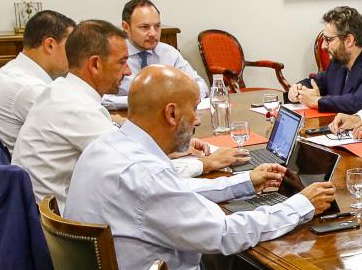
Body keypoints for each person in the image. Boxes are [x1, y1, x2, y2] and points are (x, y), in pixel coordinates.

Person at [65, 65, 336, 270]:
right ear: (170, 113)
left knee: (234, 266)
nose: (196, 119)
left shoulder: (108, 147)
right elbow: (225, 234)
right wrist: (301, 204)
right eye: (193, 109)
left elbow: (171, 191)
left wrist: (244, 182)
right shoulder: (146, 176)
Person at [12, 20, 242, 210]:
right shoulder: (76, 109)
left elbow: (125, 147)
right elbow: (145, 174)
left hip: (55, 216)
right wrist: (205, 165)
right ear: (94, 65)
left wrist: (170, 143)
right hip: (73, 228)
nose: (128, 71)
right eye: (122, 62)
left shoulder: (62, 92)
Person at [0, 10, 75, 150]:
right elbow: (73, 128)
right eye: (70, 46)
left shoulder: (12, 71)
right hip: (16, 169)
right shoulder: (28, 87)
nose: (74, 53)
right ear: (49, 45)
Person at [101, 0, 209, 109]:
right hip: (123, 118)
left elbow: (200, 85)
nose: (153, 33)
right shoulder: (111, 55)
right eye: (144, 27)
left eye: (157, 26)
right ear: (126, 27)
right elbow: (99, 98)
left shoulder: (169, 53)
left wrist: (178, 99)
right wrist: (140, 102)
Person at [292, 6, 362, 113]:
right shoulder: (338, 64)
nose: (323, 46)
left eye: (328, 40)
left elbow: (357, 102)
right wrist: (298, 90)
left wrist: (317, 101)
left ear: (349, 40)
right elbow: (316, 82)